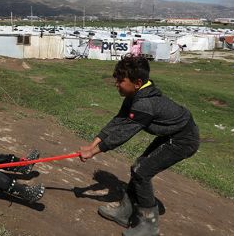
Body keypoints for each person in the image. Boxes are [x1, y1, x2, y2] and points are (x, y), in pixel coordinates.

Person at [79, 55, 199, 236]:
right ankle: (125, 212)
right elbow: (118, 121)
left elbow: (123, 134)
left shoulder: (145, 104)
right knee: (139, 168)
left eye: (121, 80)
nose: (117, 84)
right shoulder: (134, 94)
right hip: (171, 134)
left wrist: (93, 152)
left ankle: (149, 226)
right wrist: (91, 145)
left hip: (183, 139)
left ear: (138, 82)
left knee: (141, 171)